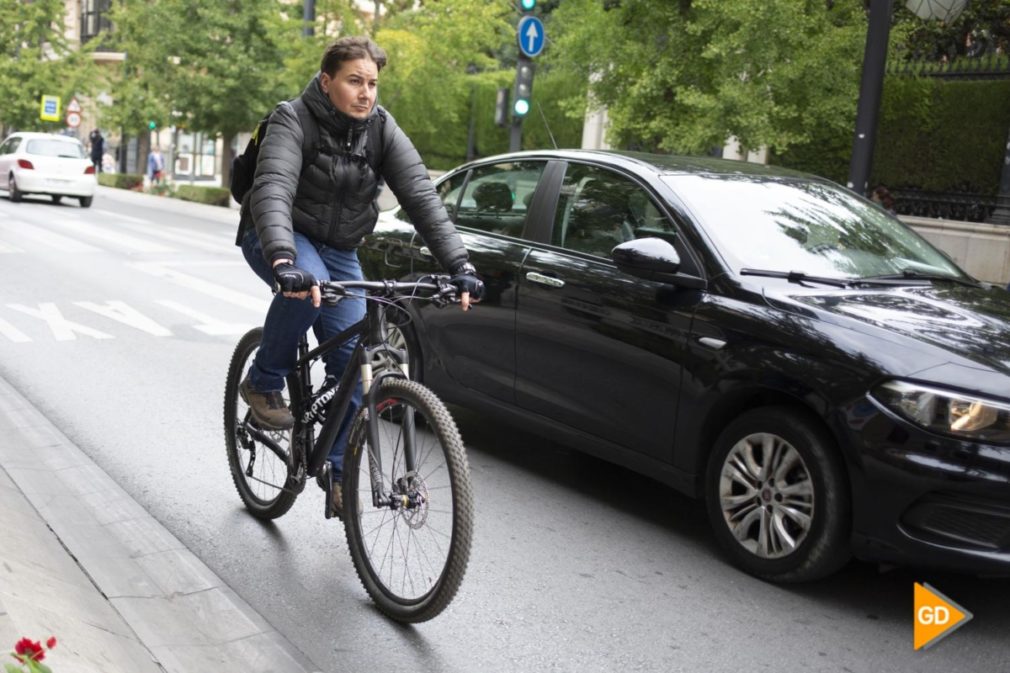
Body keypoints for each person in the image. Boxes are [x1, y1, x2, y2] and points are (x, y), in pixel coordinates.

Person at [238, 36, 483, 518]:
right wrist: (284, 259)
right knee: (306, 290)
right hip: (277, 234)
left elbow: (422, 199)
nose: (366, 92)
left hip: (342, 247)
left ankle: (335, 469)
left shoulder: (381, 129)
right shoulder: (294, 119)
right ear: (327, 82)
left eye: (372, 83)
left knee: (356, 358)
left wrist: (461, 266)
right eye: (354, 81)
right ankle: (263, 381)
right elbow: (273, 189)